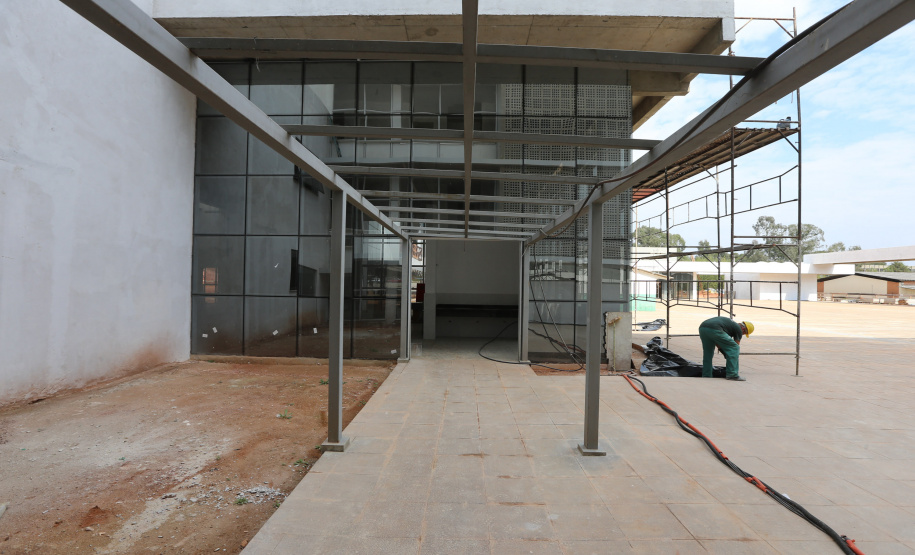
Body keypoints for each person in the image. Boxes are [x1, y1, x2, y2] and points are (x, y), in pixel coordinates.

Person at [698, 317, 754, 381]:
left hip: (703, 328)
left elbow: (718, 342)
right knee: (735, 348)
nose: (742, 334)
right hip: (715, 328)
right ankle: (732, 375)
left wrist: (723, 351)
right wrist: (729, 354)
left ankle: (706, 375)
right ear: (743, 329)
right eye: (744, 333)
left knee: (708, 353)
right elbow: (735, 346)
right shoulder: (738, 329)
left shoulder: (728, 326)